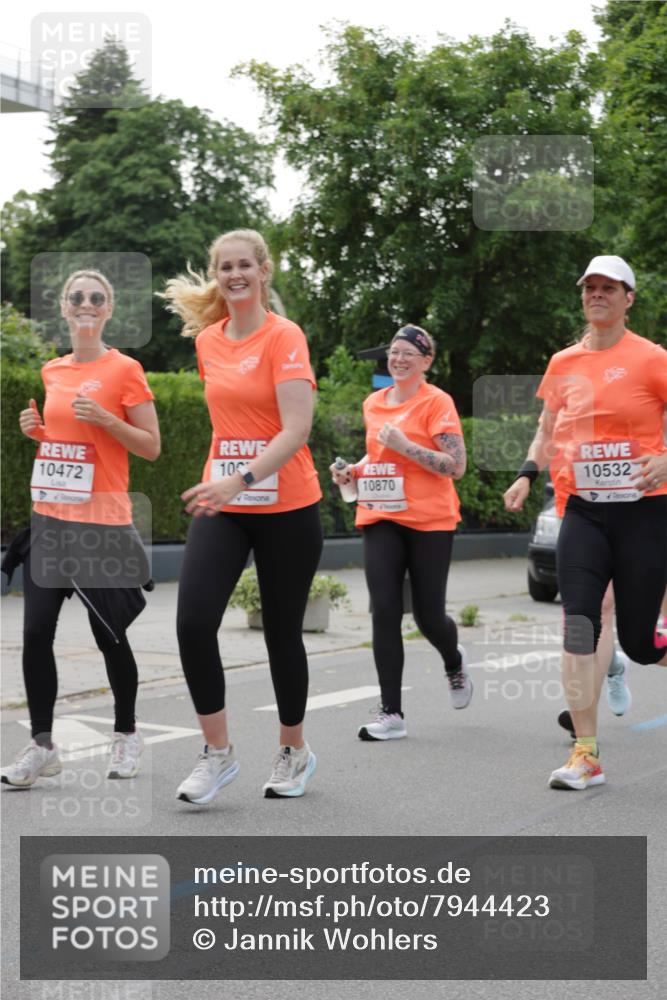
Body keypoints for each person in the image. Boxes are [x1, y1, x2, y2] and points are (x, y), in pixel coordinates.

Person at [160, 228, 323, 804]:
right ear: (217, 275)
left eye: (244, 266)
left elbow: (296, 427)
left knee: (282, 633)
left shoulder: (286, 337)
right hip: (224, 503)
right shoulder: (209, 342)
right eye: (224, 267)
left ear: (263, 271)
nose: (234, 275)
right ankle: (218, 754)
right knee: (192, 623)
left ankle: (293, 752)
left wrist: (243, 476)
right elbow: (227, 420)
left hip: (287, 504)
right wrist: (227, 483)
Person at [504, 255, 667, 789]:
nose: (597, 294)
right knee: (579, 625)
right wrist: (527, 474)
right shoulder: (563, 363)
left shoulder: (651, 359)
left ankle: (638, 655)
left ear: (628, 299)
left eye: (609, 288)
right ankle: (587, 754)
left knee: (642, 643)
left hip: (643, 512)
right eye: (589, 287)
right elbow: (547, 430)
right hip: (583, 511)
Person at [1, 269, 160, 787]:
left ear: (108, 309)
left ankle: (127, 735)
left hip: (102, 526)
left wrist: (109, 421)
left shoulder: (126, 369)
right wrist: (39, 433)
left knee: (109, 636)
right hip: (52, 520)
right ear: (65, 310)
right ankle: (42, 746)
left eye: (96, 298)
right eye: (77, 298)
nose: (86, 304)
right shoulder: (53, 371)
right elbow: (66, 446)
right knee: (33, 634)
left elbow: (151, 446)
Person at [330, 324, 470, 741]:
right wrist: (351, 473)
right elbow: (377, 456)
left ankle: (453, 660)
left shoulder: (437, 402)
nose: (399, 358)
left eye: (410, 352)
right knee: (385, 609)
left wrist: (407, 444)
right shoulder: (374, 402)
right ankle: (391, 712)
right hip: (381, 515)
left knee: (428, 616)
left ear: (426, 361)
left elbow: (456, 466)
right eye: (394, 351)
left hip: (429, 520)